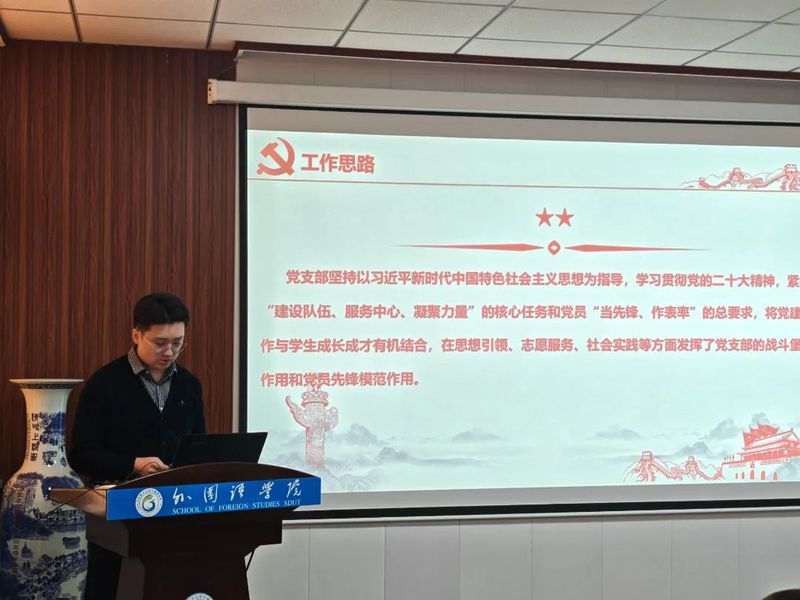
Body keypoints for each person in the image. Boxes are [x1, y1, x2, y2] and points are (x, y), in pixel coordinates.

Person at [68, 292, 206, 599]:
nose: (169, 352)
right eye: (160, 343)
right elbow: (82, 455)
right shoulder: (105, 384)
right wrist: (133, 464)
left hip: (176, 515)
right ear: (136, 335)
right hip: (118, 516)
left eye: (178, 343)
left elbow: (198, 447)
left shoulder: (189, 385)